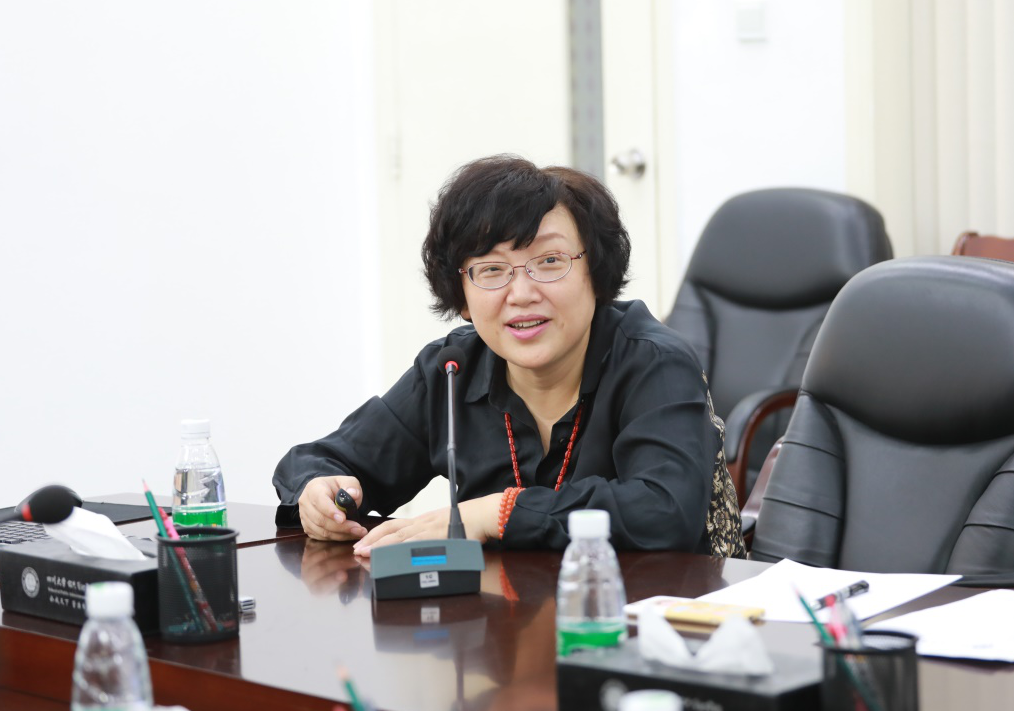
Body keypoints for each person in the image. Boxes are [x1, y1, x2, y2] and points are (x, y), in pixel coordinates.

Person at [273, 155, 744, 557]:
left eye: (550, 262)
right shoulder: (452, 370)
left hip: (658, 620)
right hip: (506, 622)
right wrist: (318, 492)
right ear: (460, 294)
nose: (521, 293)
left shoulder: (655, 362)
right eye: (492, 269)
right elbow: (321, 461)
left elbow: (664, 511)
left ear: (596, 274)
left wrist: (498, 513)